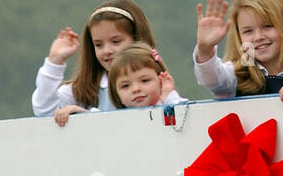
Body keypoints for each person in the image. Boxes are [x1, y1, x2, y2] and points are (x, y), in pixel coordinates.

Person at [32, 0, 158, 117]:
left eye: (116, 42)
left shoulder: (155, 82)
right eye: (98, 45)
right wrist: (55, 61)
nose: (107, 51)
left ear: (136, 39)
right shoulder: (83, 89)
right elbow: (44, 111)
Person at [54, 43, 185, 125]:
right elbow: (96, 121)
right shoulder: (116, 117)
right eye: (125, 86)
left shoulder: (167, 106)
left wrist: (168, 94)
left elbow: (184, 117)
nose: (136, 89)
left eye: (145, 80)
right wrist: (76, 111)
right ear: (116, 93)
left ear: (161, 80)